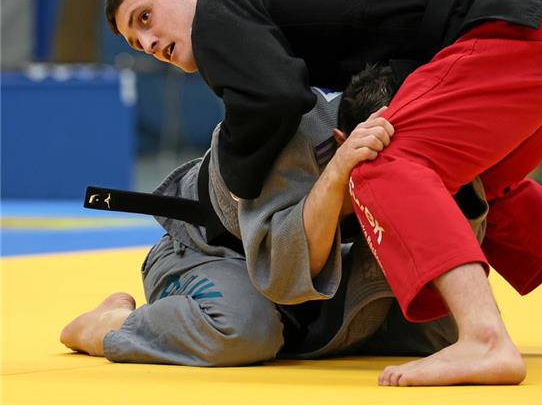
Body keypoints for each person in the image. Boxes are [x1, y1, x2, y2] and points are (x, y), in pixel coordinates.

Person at [106, 0, 542, 385]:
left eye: (146, 17)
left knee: (380, 166)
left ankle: (484, 337)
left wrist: (235, 178)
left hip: (503, 34)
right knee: (468, 186)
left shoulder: (220, 6)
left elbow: (275, 97)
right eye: (136, 41)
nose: (149, 41)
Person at [60, 85, 487, 365]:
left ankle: (311, 335)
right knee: (246, 331)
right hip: (204, 252)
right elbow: (283, 274)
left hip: (314, 279)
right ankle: (109, 325)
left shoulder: (404, 129)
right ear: (344, 141)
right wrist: (337, 175)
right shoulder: (287, 130)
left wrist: (462, 188)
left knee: (445, 327)